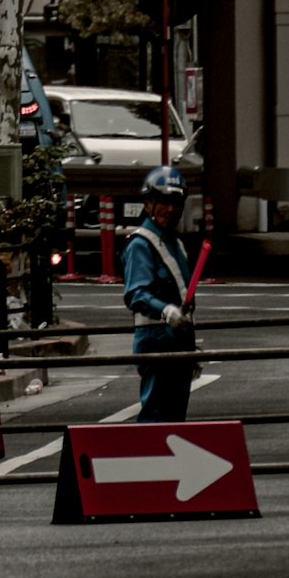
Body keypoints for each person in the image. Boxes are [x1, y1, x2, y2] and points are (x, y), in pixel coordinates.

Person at [122, 164, 196, 423]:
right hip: (155, 340)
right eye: (164, 201)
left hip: (178, 341)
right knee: (155, 416)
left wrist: (189, 341)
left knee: (175, 418)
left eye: (176, 202)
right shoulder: (141, 245)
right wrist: (165, 310)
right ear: (148, 203)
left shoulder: (175, 243)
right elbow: (135, 294)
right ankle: (143, 461)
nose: (171, 209)